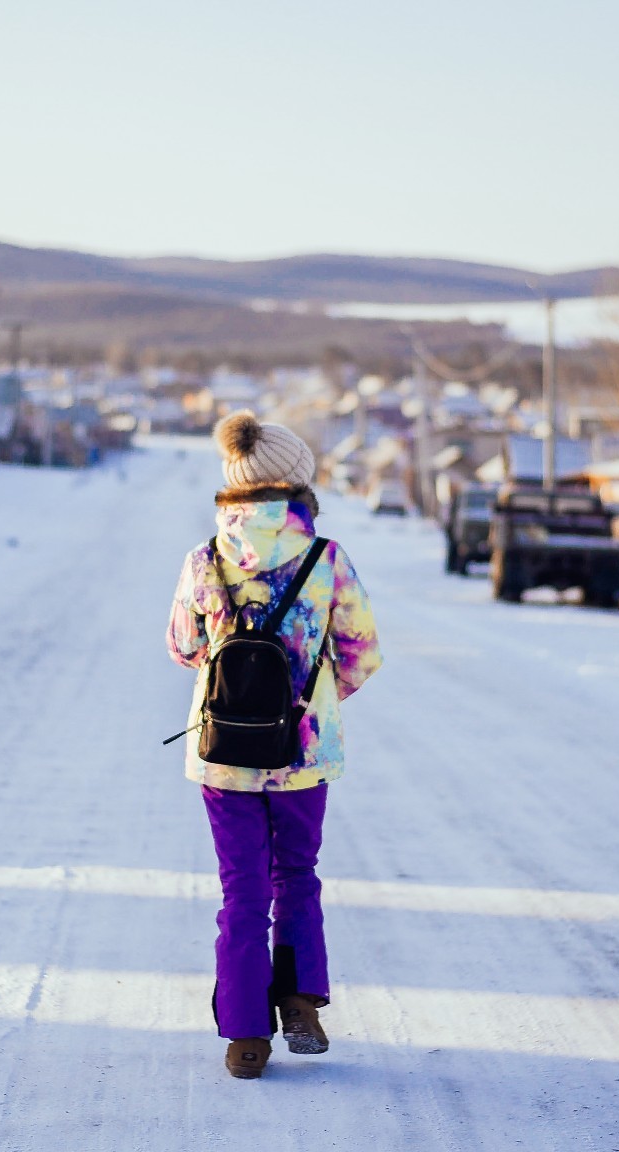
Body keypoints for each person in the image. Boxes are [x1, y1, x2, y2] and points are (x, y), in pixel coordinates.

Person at [166, 412, 383, 1080]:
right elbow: (361, 654)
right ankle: (300, 1002)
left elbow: (183, 647)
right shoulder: (326, 558)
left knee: (241, 890)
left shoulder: (204, 558)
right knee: (297, 875)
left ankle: (245, 1038)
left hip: (223, 755)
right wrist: (311, 703)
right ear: (294, 486)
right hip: (302, 755)